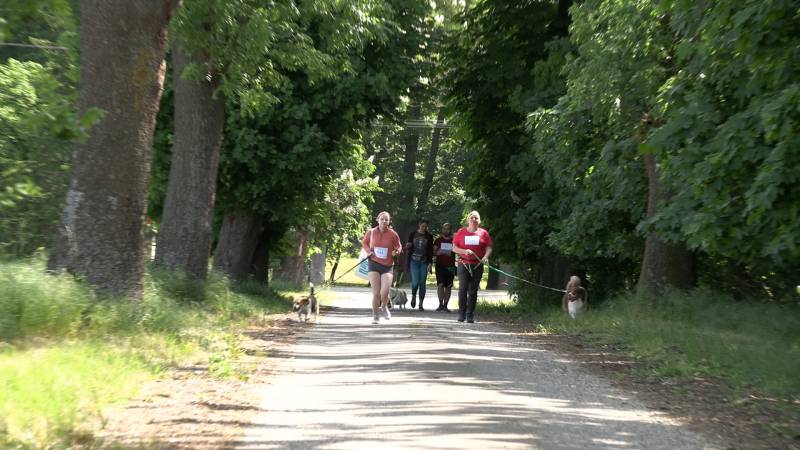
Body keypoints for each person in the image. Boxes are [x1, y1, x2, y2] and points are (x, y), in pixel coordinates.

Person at [452, 211, 493, 323]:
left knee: (473, 290)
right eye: (471, 217)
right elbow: (454, 248)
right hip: (464, 263)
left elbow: (489, 247)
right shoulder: (461, 232)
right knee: (463, 288)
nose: (474, 219)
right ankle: (461, 314)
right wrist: (464, 251)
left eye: (476, 217)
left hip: (477, 264)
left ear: (479, 220)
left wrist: (485, 256)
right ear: (468, 220)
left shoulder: (483, 233)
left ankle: (470, 315)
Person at [362, 211, 402, 324]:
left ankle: (384, 306)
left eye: (386, 219)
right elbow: (364, 243)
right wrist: (368, 252)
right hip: (374, 264)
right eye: (382, 219)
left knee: (384, 291)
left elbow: (399, 247)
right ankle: (375, 315)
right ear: (378, 220)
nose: (384, 221)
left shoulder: (393, 234)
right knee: (376, 293)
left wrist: (396, 252)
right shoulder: (371, 232)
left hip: (387, 265)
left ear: (389, 221)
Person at [405, 219, 433, 311]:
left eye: (425, 226)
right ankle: (413, 296)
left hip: (424, 261)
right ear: (419, 225)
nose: (424, 228)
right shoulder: (413, 234)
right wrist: (408, 245)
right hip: (414, 261)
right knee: (415, 281)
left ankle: (421, 304)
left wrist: (430, 263)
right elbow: (408, 245)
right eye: (422, 226)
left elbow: (430, 251)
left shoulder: (429, 236)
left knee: (422, 283)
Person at [433, 222, 456, 312]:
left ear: (450, 230)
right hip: (440, 265)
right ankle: (440, 304)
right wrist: (437, 253)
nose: (446, 230)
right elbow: (433, 251)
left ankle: (446, 306)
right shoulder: (438, 240)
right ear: (442, 229)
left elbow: (458, 250)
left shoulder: (454, 240)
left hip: (450, 266)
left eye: (447, 228)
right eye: (444, 228)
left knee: (449, 286)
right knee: (440, 285)